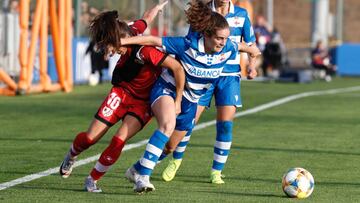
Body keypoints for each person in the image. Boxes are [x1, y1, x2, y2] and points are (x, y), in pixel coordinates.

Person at [119, 0, 260, 193]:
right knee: (167, 125)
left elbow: (246, 46)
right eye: (219, 38)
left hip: (191, 100)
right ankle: (143, 178)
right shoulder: (187, 44)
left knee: (169, 147)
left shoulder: (228, 47)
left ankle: (136, 169)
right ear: (207, 34)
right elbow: (152, 40)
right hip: (167, 89)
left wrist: (253, 54)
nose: (223, 43)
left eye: (226, 39)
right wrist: (122, 42)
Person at [59, 1, 185, 193]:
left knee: (119, 139)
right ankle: (72, 155)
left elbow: (176, 67)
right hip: (121, 92)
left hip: (142, 102)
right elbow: (146, 19)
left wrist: (177, 100)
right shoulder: (130, 30)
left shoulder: (145, 51)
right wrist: (158, 7)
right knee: (90, 137)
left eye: (112, 46)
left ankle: (92, 179)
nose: (112, 50)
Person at [159, 0, 259, 185]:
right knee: (188, 123)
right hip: (202, 75)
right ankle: (176, 160)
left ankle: (216, 172)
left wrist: (252, 67)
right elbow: (189, 46)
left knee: (225, 124)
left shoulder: (242, 14)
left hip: (229, 77)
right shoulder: (203, 12)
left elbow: (251, 46)